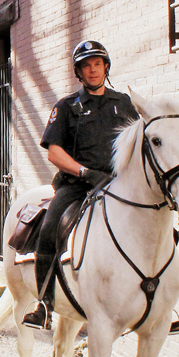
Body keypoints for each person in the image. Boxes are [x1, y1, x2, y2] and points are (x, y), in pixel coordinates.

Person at [22, 40, 139, 330]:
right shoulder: (67, 107)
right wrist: (84, 172)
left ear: (106, 66)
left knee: (154, 221)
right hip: (78, 185)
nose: (93, 70)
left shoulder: (123, 103)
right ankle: (44, 303)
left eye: (97, 64)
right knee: (49, 228)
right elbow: (54, 152)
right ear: (79, 72)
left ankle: (159, 302)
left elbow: (137, 143)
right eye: (86, 66)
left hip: (117, 184)